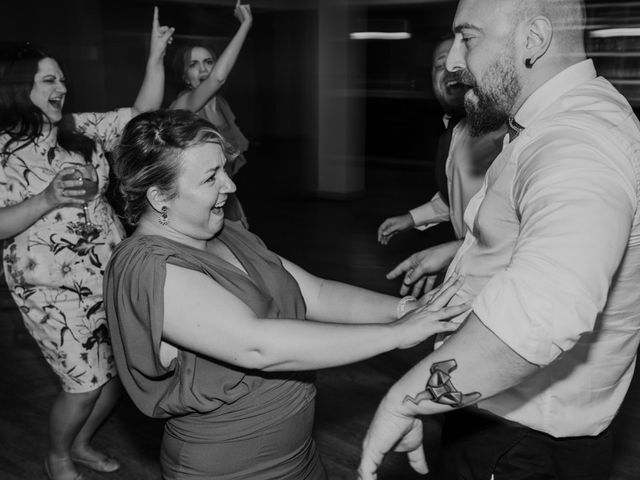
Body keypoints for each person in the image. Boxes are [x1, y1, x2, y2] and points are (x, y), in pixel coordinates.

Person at [103, 109, 471, 480]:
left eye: (224, 170)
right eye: (210, 177)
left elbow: (316, 293)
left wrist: (408, 308)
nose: (229, 186)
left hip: (298, 455)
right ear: (159, 196)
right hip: (227, 469)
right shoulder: (146, 266)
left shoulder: (223, 232)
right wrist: (398, 334)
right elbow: (257, 346)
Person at [359, 0, 640, 479]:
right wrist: (457, 250)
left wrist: (404, 401)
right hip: (506, 415)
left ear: (534, 39)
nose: (452, 62)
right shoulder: (560, 119)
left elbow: (542, 309)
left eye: (468, 37)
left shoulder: (574, 142)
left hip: (520, 441)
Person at [0, 9, 173, 480]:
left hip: (107, 274)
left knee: (114, 378)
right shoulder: (1, 152)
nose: (62, 87)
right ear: (19, 87)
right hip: (50, 291)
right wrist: (47, 198)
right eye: (48, 80)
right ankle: (56, 456)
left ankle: (79, 444)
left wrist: (155, 56)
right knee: (82, 385)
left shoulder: (77, 130)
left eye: (62, 79)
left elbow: (140, 117)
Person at [378, 36, 506, 297]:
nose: (450, 67)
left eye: (463, 54)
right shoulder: (456, 130)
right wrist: (412, 218)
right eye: (440, 64)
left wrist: (457, 250)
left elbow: (516, 220)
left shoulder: (502, 132)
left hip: (500, 277)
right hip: (468, 266)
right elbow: (459, 196)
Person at [170, 2, 252, 228]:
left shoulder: (222, 105)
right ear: (185, 76)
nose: (204, 70)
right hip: (197, 203)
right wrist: (245, 25)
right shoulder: (186, 103)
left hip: (226, 197)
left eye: (208, 62)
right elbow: (218, 78)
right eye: (193, 65)